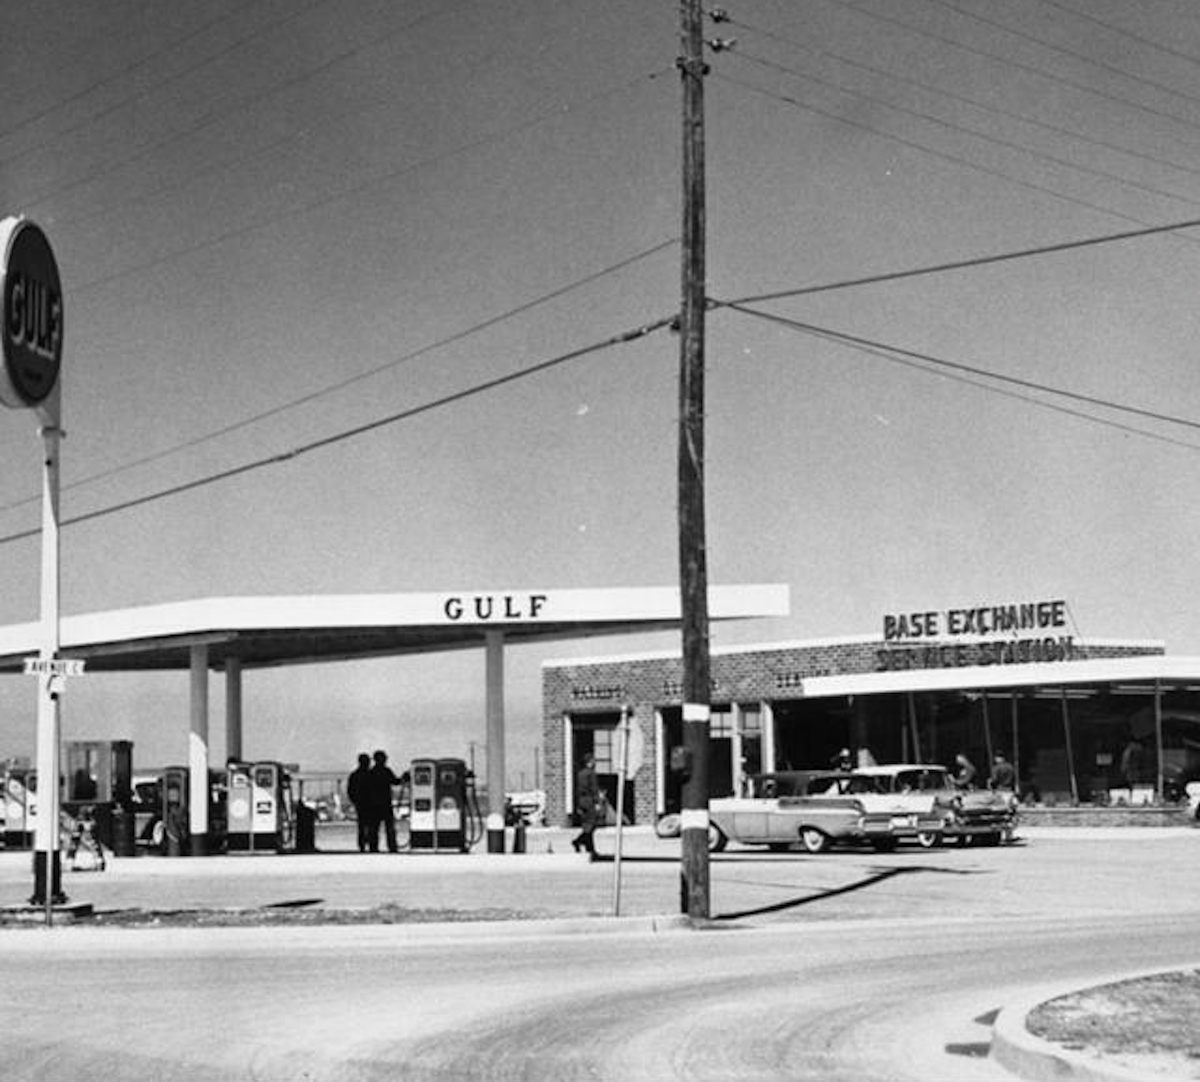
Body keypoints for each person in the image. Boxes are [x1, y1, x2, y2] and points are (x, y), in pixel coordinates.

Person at [365, 749, 403, 853]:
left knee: (374, 828)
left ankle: (373, 847)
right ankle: (392, 847)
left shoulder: (371, 773)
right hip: (385, 804)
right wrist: (404, 778)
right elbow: (395, 782)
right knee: (389, 828)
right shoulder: (386, 771)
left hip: (373, 805)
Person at [572, 754, 600, 859]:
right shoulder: (591, 774)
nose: (595, 763)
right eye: (593, 761)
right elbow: (594, 789)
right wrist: (597, 802)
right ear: (590, 762)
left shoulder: (580, 774)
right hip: (589, 801)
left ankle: (589, 847)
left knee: (587, 824)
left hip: (581, 800)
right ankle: (579, 841)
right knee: (591, 824)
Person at [346, 752, 371, 852]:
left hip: (360, 804)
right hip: (370, 804)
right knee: (371, 826)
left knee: (362, 826)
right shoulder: (370, 774)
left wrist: (355, 801)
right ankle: (371, 844)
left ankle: (362, 845)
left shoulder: (354, 775)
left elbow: (350, 790)